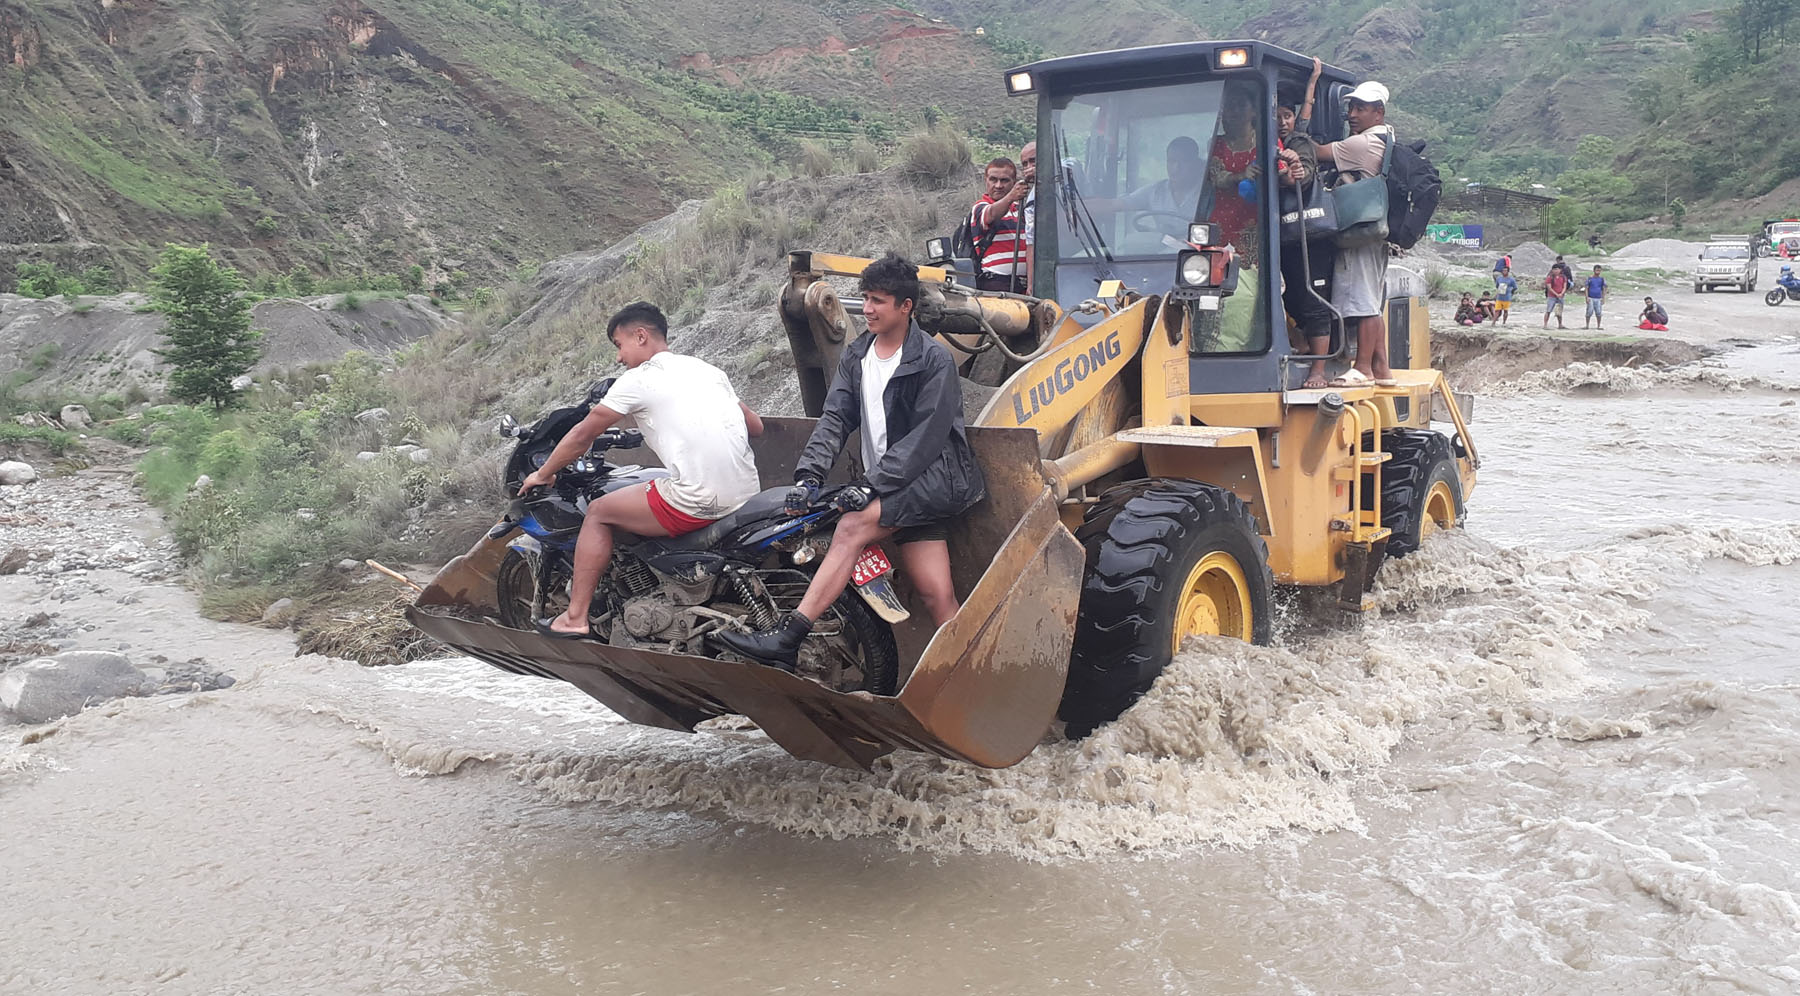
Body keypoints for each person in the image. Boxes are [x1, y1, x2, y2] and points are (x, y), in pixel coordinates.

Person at [715, 253, 986, 672]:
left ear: (905, 306)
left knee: (851, 526)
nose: (868, 309)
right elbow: (836, 418)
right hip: (894, 486)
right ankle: (971, 677)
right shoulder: (858, 355)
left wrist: (872, 485)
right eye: (865, 298)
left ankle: (789, 638)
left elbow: (925, 440)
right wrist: (809, 475)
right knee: (936, 594)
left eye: (878, 300)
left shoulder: (933, 360)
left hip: (932, 482)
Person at [519, 302, 764, 638]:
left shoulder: (639, 379)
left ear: (640, 336)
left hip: (700, 499)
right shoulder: (707, 370)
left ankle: (575, 617)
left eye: (619, 346)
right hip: (748, 492)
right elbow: (756, 425)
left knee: (599, 513)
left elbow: (582, 434)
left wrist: (544, 473)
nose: (619, 358)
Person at [1317, 80, 1395, 385]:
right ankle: (1382, 369)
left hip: (1358, 231)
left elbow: (1318, 152)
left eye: (1360, 108)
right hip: (1375, 231)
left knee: (1363, 302)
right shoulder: (1386, 136)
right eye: (1350, 107)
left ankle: (1362, 368)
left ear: (1379, 112)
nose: (1352, 114)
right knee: (1372, 301)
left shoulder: (1361, 144)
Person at [1277, 83, 1335, 388]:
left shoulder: (1299, 143)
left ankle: (1318, 371)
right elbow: (1306, 113)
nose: (1283, 121)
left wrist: (1293, 172)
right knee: (1291, 296)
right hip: (1284, 237)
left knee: (1314, 299)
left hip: (1309, 234)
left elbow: (1304, 176)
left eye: (1287, 115)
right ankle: (1303, 344)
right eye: (1277, 116)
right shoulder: (1270, 143)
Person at [969, 157, 1030, 293]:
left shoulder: (1023, 211)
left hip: (1026, 285)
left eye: (1004, 180)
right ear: (986, 181)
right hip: (996, 285)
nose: (998, 185)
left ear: (1013, 182)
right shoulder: (980, 207)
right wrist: (1011, 196)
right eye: (993, 180)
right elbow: (991, 214)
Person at [1018, 141, 1037, 294]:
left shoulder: (1068, 172)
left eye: (1034, 161)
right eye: (1025, 164)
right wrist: (1031, 285)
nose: (1029, 167)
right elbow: (1031, 242)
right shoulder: (1032, 201)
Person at [1543, 263, 1571, 330]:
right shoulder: (1549, 278)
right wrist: (1556, 294)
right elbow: (1549, 288)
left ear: (1560, 270)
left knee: (1559, 311)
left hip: (1561, 296)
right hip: (1552, 296)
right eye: (1554, 269)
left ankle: (1560, 325)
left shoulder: (1563, 277)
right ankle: (1545, 325)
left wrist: (1561, 293)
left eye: (1557, 269)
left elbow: (1564, 286)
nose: (1556, 271)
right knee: (1548, 310)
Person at [1583, 264, 1607, 330]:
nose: (1598, 272)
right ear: (1594, 271)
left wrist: (1603, 298)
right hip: (1591, 297)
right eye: (1597, 270)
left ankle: (1598, 326)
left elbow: (1604, 288)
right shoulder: (1590, 279)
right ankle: (1587, 325)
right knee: (1589, 312)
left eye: (1599, 270)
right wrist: (1586, 297)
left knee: (1599, 312)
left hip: (1598, 298)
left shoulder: (1601, 279)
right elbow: (1586, 288)